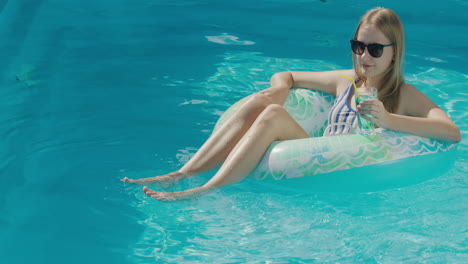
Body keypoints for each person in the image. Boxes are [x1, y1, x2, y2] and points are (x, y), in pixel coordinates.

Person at [121, 7, 461, 201]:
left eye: (375, 49)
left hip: (342, 162)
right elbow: (287, 75)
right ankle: (182, 173)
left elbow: (451, 132)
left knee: (271, 116)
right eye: (359, 46)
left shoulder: (402, 93)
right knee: (266, 103)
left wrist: (389, 119)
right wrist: (279, 90)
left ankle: (205, 190)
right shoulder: (346, 80)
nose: (364, 56)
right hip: (317, 149)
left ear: (394, 52)